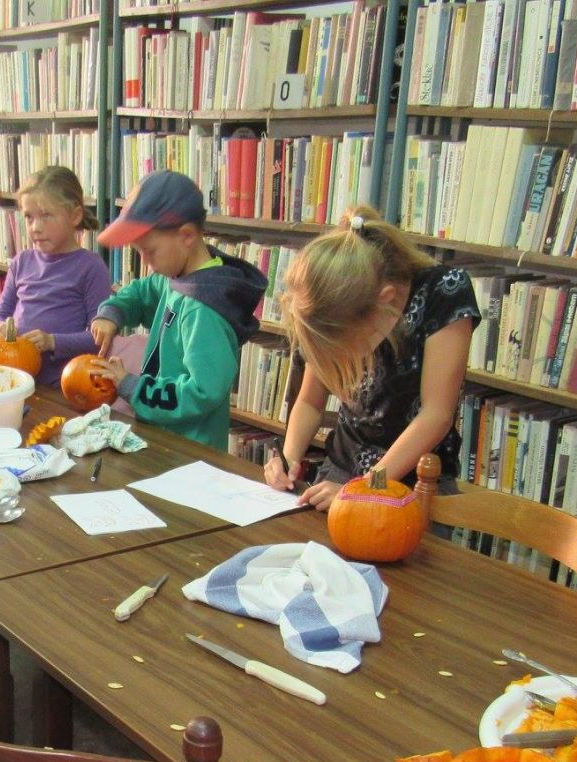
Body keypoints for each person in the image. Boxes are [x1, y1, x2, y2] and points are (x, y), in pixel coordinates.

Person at [264, 205, 481, 510]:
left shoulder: (443, 291)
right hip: (340, 473)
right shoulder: (332, 301)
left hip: (413, 485)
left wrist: (365, 488)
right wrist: (288, 458)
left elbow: (435, 416)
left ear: (385, 301)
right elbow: (311, 401)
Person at [90, 170, 267, 451]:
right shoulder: (177, 277)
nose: (146, 262)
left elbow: (202, 392)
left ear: (186, 235)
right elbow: (141, 293)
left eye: (150, 251)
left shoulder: (203, 310)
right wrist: (112, 313)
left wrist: (132, 386)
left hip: (191, 451)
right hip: (163, 440)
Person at [0, 166, 112, 387]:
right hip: (15, 380)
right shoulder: (21, 262)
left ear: (75, 216)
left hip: (63, 386)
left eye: (46, 216)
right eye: (29, 217)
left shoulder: (91, 267)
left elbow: (99, 338)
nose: (35, 227)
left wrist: (52, 341)